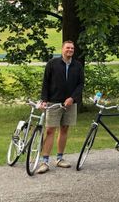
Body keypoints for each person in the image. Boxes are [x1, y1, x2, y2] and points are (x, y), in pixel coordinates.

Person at [37, 40, 85, 174]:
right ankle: (44, 161)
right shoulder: (52, 63)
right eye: (68, 48)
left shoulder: (78, 65)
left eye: (72, 48)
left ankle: (59, 158)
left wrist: (72, 98)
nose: (70, 50)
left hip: (70, 103)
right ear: (62, 49)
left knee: (64, 129)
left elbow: (80, 84)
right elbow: (45, 82)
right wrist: (44, 100)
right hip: (53, 102)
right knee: (50, 130)